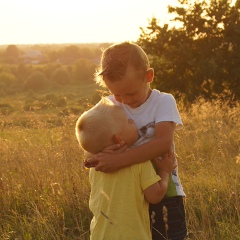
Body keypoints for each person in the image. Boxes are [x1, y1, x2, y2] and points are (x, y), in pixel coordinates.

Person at [86, 42, 187, 240]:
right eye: (116, 94)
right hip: (126, 200)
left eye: (130, 93)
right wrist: (93, 156)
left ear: (148, 76)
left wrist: (117, 160)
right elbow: (91, 139)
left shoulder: (163, 101)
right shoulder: (108, 105)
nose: (123, 100)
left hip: (164, 191)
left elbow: (163, 143)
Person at [75, 98, 176, 240]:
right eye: (129, 121)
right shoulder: (139, 162)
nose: (133, 121)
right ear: (118, 138)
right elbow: (155, 195)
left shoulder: (96, 167)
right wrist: (165, 171)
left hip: (99, 235)